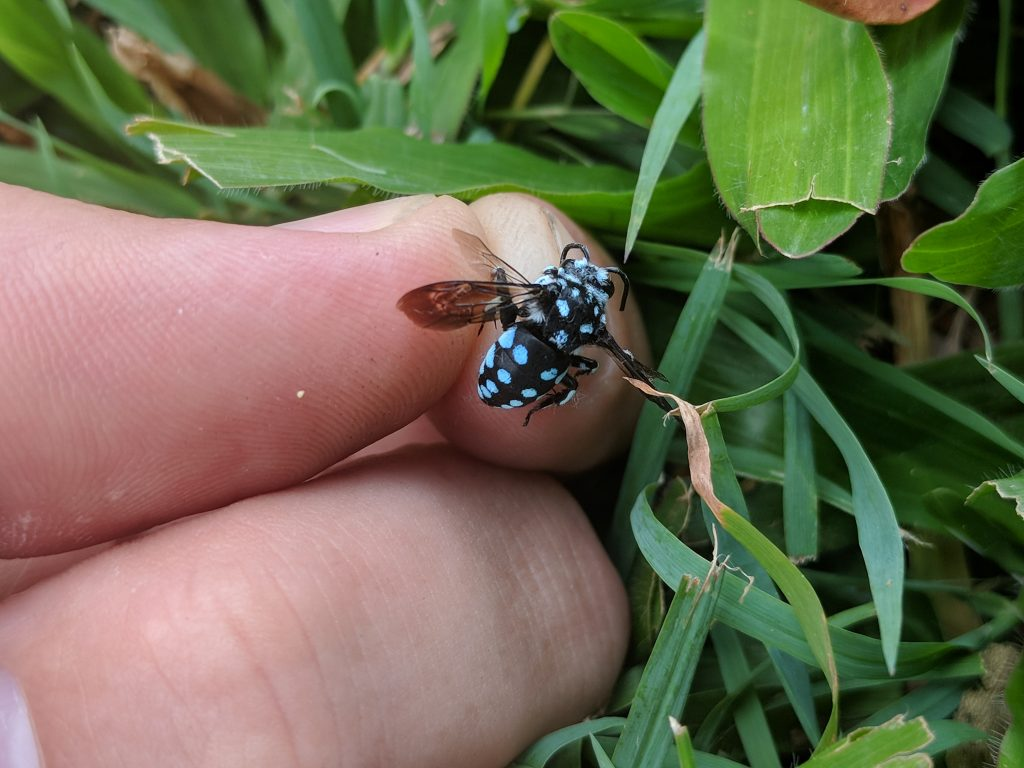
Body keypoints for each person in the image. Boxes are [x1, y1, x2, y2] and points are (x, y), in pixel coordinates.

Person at [0, 184, 651, 767]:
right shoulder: (587, 331)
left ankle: (549, 398)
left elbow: (490, 292)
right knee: (571, 379)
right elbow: (595, 352)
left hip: (506, 361)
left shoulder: (527, 294)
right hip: (517, 376)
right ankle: (552, 398)